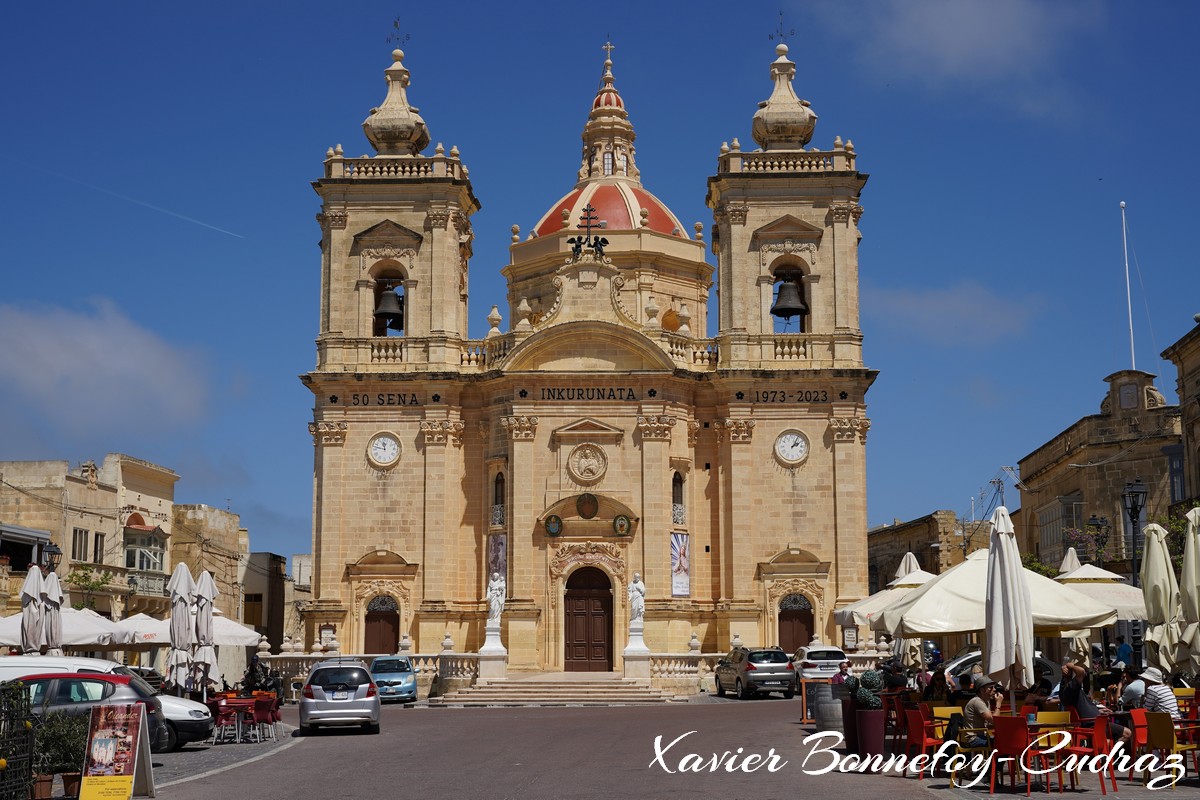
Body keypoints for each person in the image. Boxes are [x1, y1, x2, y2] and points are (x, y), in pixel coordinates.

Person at [1059, 661, 1132, 749]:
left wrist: (1098, 711)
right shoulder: (1071, 687)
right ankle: (1108, 751)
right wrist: (1070, 665)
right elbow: (1081, 671)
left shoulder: (1064, 690)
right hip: (1094, 724)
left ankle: (1105, 751)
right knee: (1127, 733)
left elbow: (1081, 709)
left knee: (1112, 737)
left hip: (1092, 721)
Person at [962, 676, 997, 747]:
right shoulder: (977, 701)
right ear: (981, 690)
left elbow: (992, 722)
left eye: (994, 687)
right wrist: (998, 704)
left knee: (1004, 741)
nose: (994, 689)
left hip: (981, 735)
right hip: (973, 739)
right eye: (991, 688)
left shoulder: (986, 701)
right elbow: (994, 720)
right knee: (1002, 743)